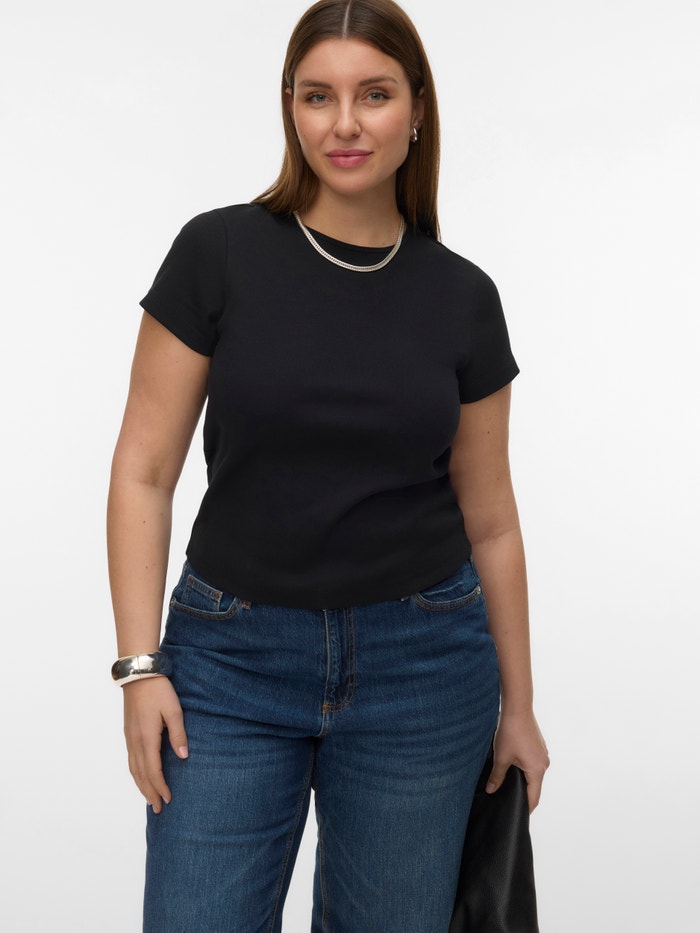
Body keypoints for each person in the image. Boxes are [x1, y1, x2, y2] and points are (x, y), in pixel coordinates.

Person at [107, 0, 549, 929]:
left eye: (373, 95)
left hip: (423, 670)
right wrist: (140, 667)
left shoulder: (463, 297)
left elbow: (493, 519)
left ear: (417, 109)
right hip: (228, 662)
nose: (344, 123)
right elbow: (143, 469)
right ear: (291, 108)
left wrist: (520, 706)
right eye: (318, 96)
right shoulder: (218, 253)